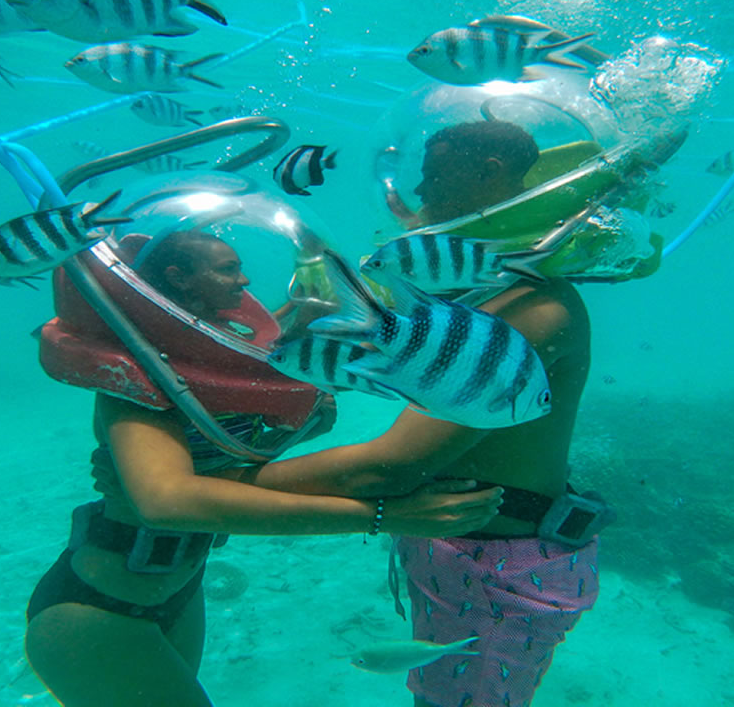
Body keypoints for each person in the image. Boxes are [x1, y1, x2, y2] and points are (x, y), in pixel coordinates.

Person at [24, 229, 504, 707]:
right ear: (179, 278)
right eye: (228, 269)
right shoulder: (138, 380)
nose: (245, 280)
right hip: (95, 610)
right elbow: (166, 501)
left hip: (178, 590)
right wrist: (383, 516)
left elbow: (229, 450)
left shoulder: (211, 372)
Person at [243, 120, 602, 707]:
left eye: (433, 173)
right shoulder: (474, 300)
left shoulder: (534, 307)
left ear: (490, 174)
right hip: (467, 557)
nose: (419, 187)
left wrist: (220, 490)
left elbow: (390, 466)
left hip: (501, 576)